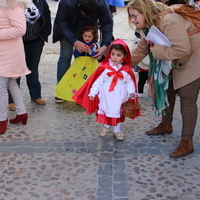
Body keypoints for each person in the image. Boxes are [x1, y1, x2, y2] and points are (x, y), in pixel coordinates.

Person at [127, 0, 200, 158]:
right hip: (175, 59)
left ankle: (187, 142)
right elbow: (142, 48)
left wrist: (157, 51)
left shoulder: (167, 20)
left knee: (188, 99)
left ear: (144, 12)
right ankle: (166, 124)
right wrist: (123, 66)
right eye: (130, 16)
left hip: (194, 58)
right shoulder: (148, 25)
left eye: (134, 16)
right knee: (167, 90)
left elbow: (182, 48)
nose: (132, 20)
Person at [73, 39, 140, 141]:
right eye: (113, 54)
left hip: (120, 97)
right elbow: (97, 81)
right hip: (106, 95)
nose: (115, 57)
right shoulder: (104, 68)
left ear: (124, 56)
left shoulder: (126, 70)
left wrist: (131, 92)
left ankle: (117, 131)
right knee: (106, 110)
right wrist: (93, 92)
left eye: (118, 55)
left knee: (118, 113)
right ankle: (106, 126)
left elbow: (130, 83)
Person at [53, 0, 113, 103]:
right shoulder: (66, 2)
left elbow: (107, 23)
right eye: (85, 13)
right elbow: (61, 23)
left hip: (89, 31)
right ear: (79, 5)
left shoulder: (101, 3)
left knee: (88, 60)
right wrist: (74, 41)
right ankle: (61, 91)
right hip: (68, 29)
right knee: (65, 57)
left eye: (90, 14)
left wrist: (105, 45)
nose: (87, 16)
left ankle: (85, 90)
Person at [9, 0, 52, 110]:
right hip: (17, 41)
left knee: (33, 67)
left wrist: (46, 31)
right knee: (16, 70)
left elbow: (46, 14)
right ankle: (12, 99)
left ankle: (36, 95)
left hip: (36, 41)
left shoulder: (40, 1)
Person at [0, 0, 31, 134]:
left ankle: (2, 120)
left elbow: (20, 29)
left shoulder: (13, 4)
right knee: (12, 83)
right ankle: (22, 113)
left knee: (1, 86)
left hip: (9, 52)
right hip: (5, 50)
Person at [54, 26, 99, 101]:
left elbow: (96, 55)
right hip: (79, 64)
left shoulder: (95, 45)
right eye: (85, 36)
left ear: (94, 36)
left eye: (90, 36)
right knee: (76, 78)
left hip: (91, 65)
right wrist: (79, 51)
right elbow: (75, 54)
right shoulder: (79, 43)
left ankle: (85, 96)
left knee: (88, 80)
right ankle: (74, 94)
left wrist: (89, 52)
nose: (87, 38)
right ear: (82, 36)